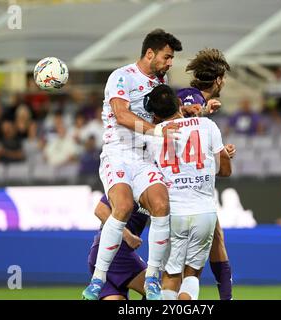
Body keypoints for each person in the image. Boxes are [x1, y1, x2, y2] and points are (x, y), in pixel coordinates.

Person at [85, 29, 183, 300]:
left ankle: (152, 277)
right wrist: (155, 131)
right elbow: (122, 115)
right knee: (124, 205)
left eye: (172, 58)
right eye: (167, 57)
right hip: (117, 153)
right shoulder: (121, 76)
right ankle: (97, 279)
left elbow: (170, 115)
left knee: (162, 205)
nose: (170, 63)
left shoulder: (160, 83)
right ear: (149, 54)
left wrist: (199, 111)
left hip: (143, 158)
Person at [144, 84, 234, 300]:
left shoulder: (151, 137)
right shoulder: (207, 125)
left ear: (155, 114)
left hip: (173, 213)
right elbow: (225, 170)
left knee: (171, 275)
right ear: (178, 104)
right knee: (192, 274)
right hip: (204, 212)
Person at [176, 48, 234, 300]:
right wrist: (202, 110)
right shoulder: (190, 97)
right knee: (188, 261)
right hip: (185, 187)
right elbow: (179, 122)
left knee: (214, 239)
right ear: (219, 79)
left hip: (191, 182)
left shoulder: (194, 100)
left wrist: (218, 153)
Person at [82, 195, 149, 300]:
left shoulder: (151, 189)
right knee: (155, 292)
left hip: (103, 252)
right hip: (116, 252)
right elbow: (100, 210)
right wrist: (128, 236)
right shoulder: (129, 185)